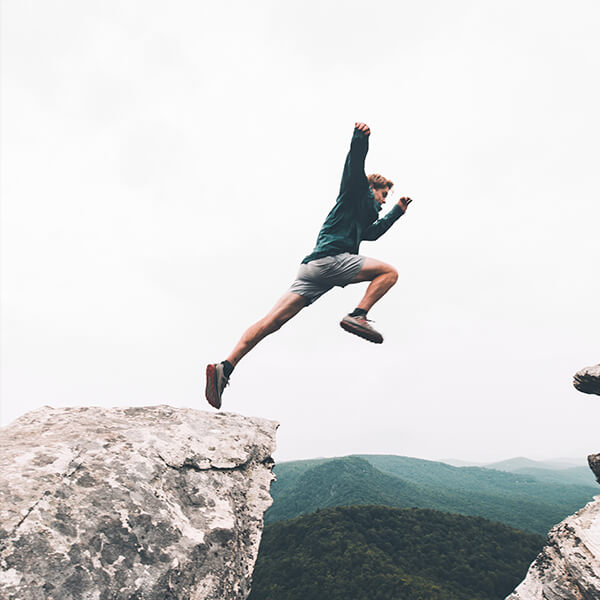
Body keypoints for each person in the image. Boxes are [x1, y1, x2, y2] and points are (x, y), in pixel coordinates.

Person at [205, 122, 413, 408]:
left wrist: (396, 212)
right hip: (331, 260)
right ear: (372, 189)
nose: (383, 201)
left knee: (271, 322)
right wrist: (360, 140)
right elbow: (354, 167)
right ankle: (358, 314)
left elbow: (373, 232)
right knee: (389, 273)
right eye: (383, 195)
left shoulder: (360, 217)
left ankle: (225, 367)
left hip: (312, 269)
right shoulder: (355, 193)